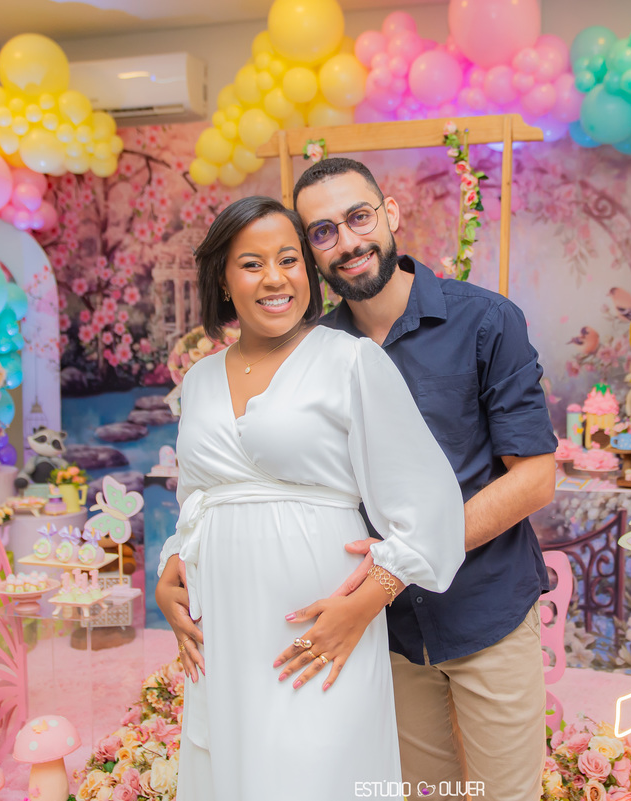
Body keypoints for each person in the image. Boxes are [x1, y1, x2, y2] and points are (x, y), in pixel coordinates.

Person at [155, 195, 465, 800]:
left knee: (319, 777)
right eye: (252, 264)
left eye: (289, 259)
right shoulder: (198, 380)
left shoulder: (351, 361)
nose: (275, 278)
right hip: (224, 633)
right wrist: (172, 567)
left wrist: (365, 604)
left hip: (323, 631)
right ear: (223, 278)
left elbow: (430, 509)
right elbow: (196, 500)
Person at [292, 157, 557, 800]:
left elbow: (534, 480)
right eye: (323, 231)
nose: (347, 241)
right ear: (310, 249)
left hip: (486, 610)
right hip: (388, 634)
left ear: (390, 214)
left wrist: (400, 564)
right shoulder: (313, 352)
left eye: (359, 217)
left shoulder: (485, 321)